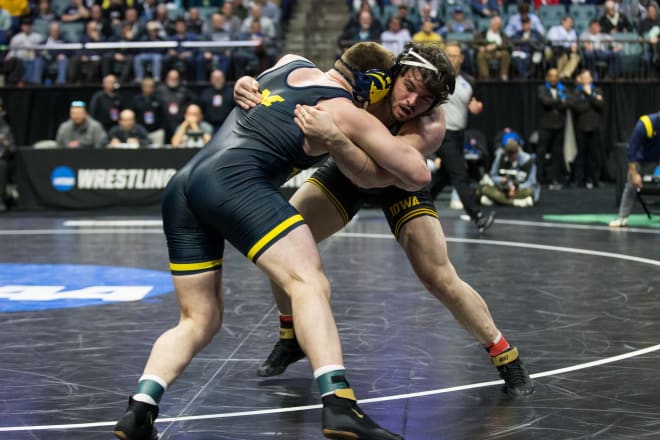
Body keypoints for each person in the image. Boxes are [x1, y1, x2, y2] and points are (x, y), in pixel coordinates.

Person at [112, 41, 437, 440]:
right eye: (385, 87)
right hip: (235, 182)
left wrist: (242, 84)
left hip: (183, 187)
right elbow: (418, 174)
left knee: (199, 319)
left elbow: (257, 84)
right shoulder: (344, 112)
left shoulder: (290, 64)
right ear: (372, 84)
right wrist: (337, 138)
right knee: (309, 283)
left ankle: (139, 410)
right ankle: (339, 405)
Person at [234, 41, 533, 399]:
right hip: (346, 171)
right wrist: (253, 84)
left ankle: (505, 355)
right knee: (281, 241)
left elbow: (376, 175)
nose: (411, 103)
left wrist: (337, 140)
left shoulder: (431, 125)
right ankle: (290, 336)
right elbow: (297, 79)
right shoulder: (366, 80)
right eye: (409, 88)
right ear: (395, 74)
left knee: (439, 276)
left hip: (396, 179)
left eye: (424, 99)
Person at [429, 41, 495, 233]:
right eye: (449, 54)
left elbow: (476, 104)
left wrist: (476, 108)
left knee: (444, 176)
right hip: (443, 133)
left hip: (459, 135)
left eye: (456, 55)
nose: (452, 58)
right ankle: (478, 216)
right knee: (460, 175)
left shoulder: (468, 81)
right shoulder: (436, 78)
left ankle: (417, 204)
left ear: (462, 58)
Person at [609, 110, 660, 227]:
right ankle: (622, 218)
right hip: (641, 158)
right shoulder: (645, 124)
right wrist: (634, 174)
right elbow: (632, 151)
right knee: (631, 184)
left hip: (657, 158)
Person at [569, 69, 605, 189]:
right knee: (581, 154)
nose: (585, 79)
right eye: (583, 77)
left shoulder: (597, 90)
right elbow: (576, 107)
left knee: (595, 155)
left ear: (591, 79)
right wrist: (592, 102)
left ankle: (595, 180)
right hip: (581, 127)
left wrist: (589, 96)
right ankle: (580, 180)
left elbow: (600, 105)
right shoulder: (576, 92)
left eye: (587, 77)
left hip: (595, 127)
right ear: (580, 79)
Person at [479, 136, 539, 207]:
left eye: (513, 155)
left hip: (520, 189)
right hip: (502, 189)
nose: (511, 159)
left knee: (530, 191)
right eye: (509, 155)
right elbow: (492, 175)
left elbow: (531, 182)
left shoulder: (528, 161)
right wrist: (501, 180)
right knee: (484, 189)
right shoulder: (500, 157)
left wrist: (515, 188)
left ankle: (496, 200)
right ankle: (516, 202)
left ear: (518, 152)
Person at [537, 67, 568, 189]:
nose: (554, 78)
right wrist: (560, 101)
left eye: (556, 76)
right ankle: (539, 179)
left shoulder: (563, 89)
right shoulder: (542, 89)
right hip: (545, 126)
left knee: (557, 154)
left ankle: (555, 179)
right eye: (551, 76)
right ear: (547, 77)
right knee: (541, 153)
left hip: (559, 125)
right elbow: (545, 101)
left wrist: (557, 102)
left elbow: (568, 102)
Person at [473, 15, 512, 80]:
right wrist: (481, 48)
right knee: (480, 55)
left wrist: (496, 46)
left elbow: (508, 44)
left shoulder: (503, 34)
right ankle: (485, 76)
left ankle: (503, 75)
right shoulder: (482, 33)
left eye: (499, 24)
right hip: (486, 52)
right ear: (491, 23)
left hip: (498, 52)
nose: (497, 25)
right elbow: (473, 44)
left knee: (506, 54)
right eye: (496, 23)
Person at [130, 77, 165, 146]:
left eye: (151, 86)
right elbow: (133, 114)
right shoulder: (136, 100)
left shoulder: (158, 99)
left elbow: (163, 115)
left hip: (156, 131)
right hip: (140, 131)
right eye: (146, 86)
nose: (148, 88)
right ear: (142, 87)